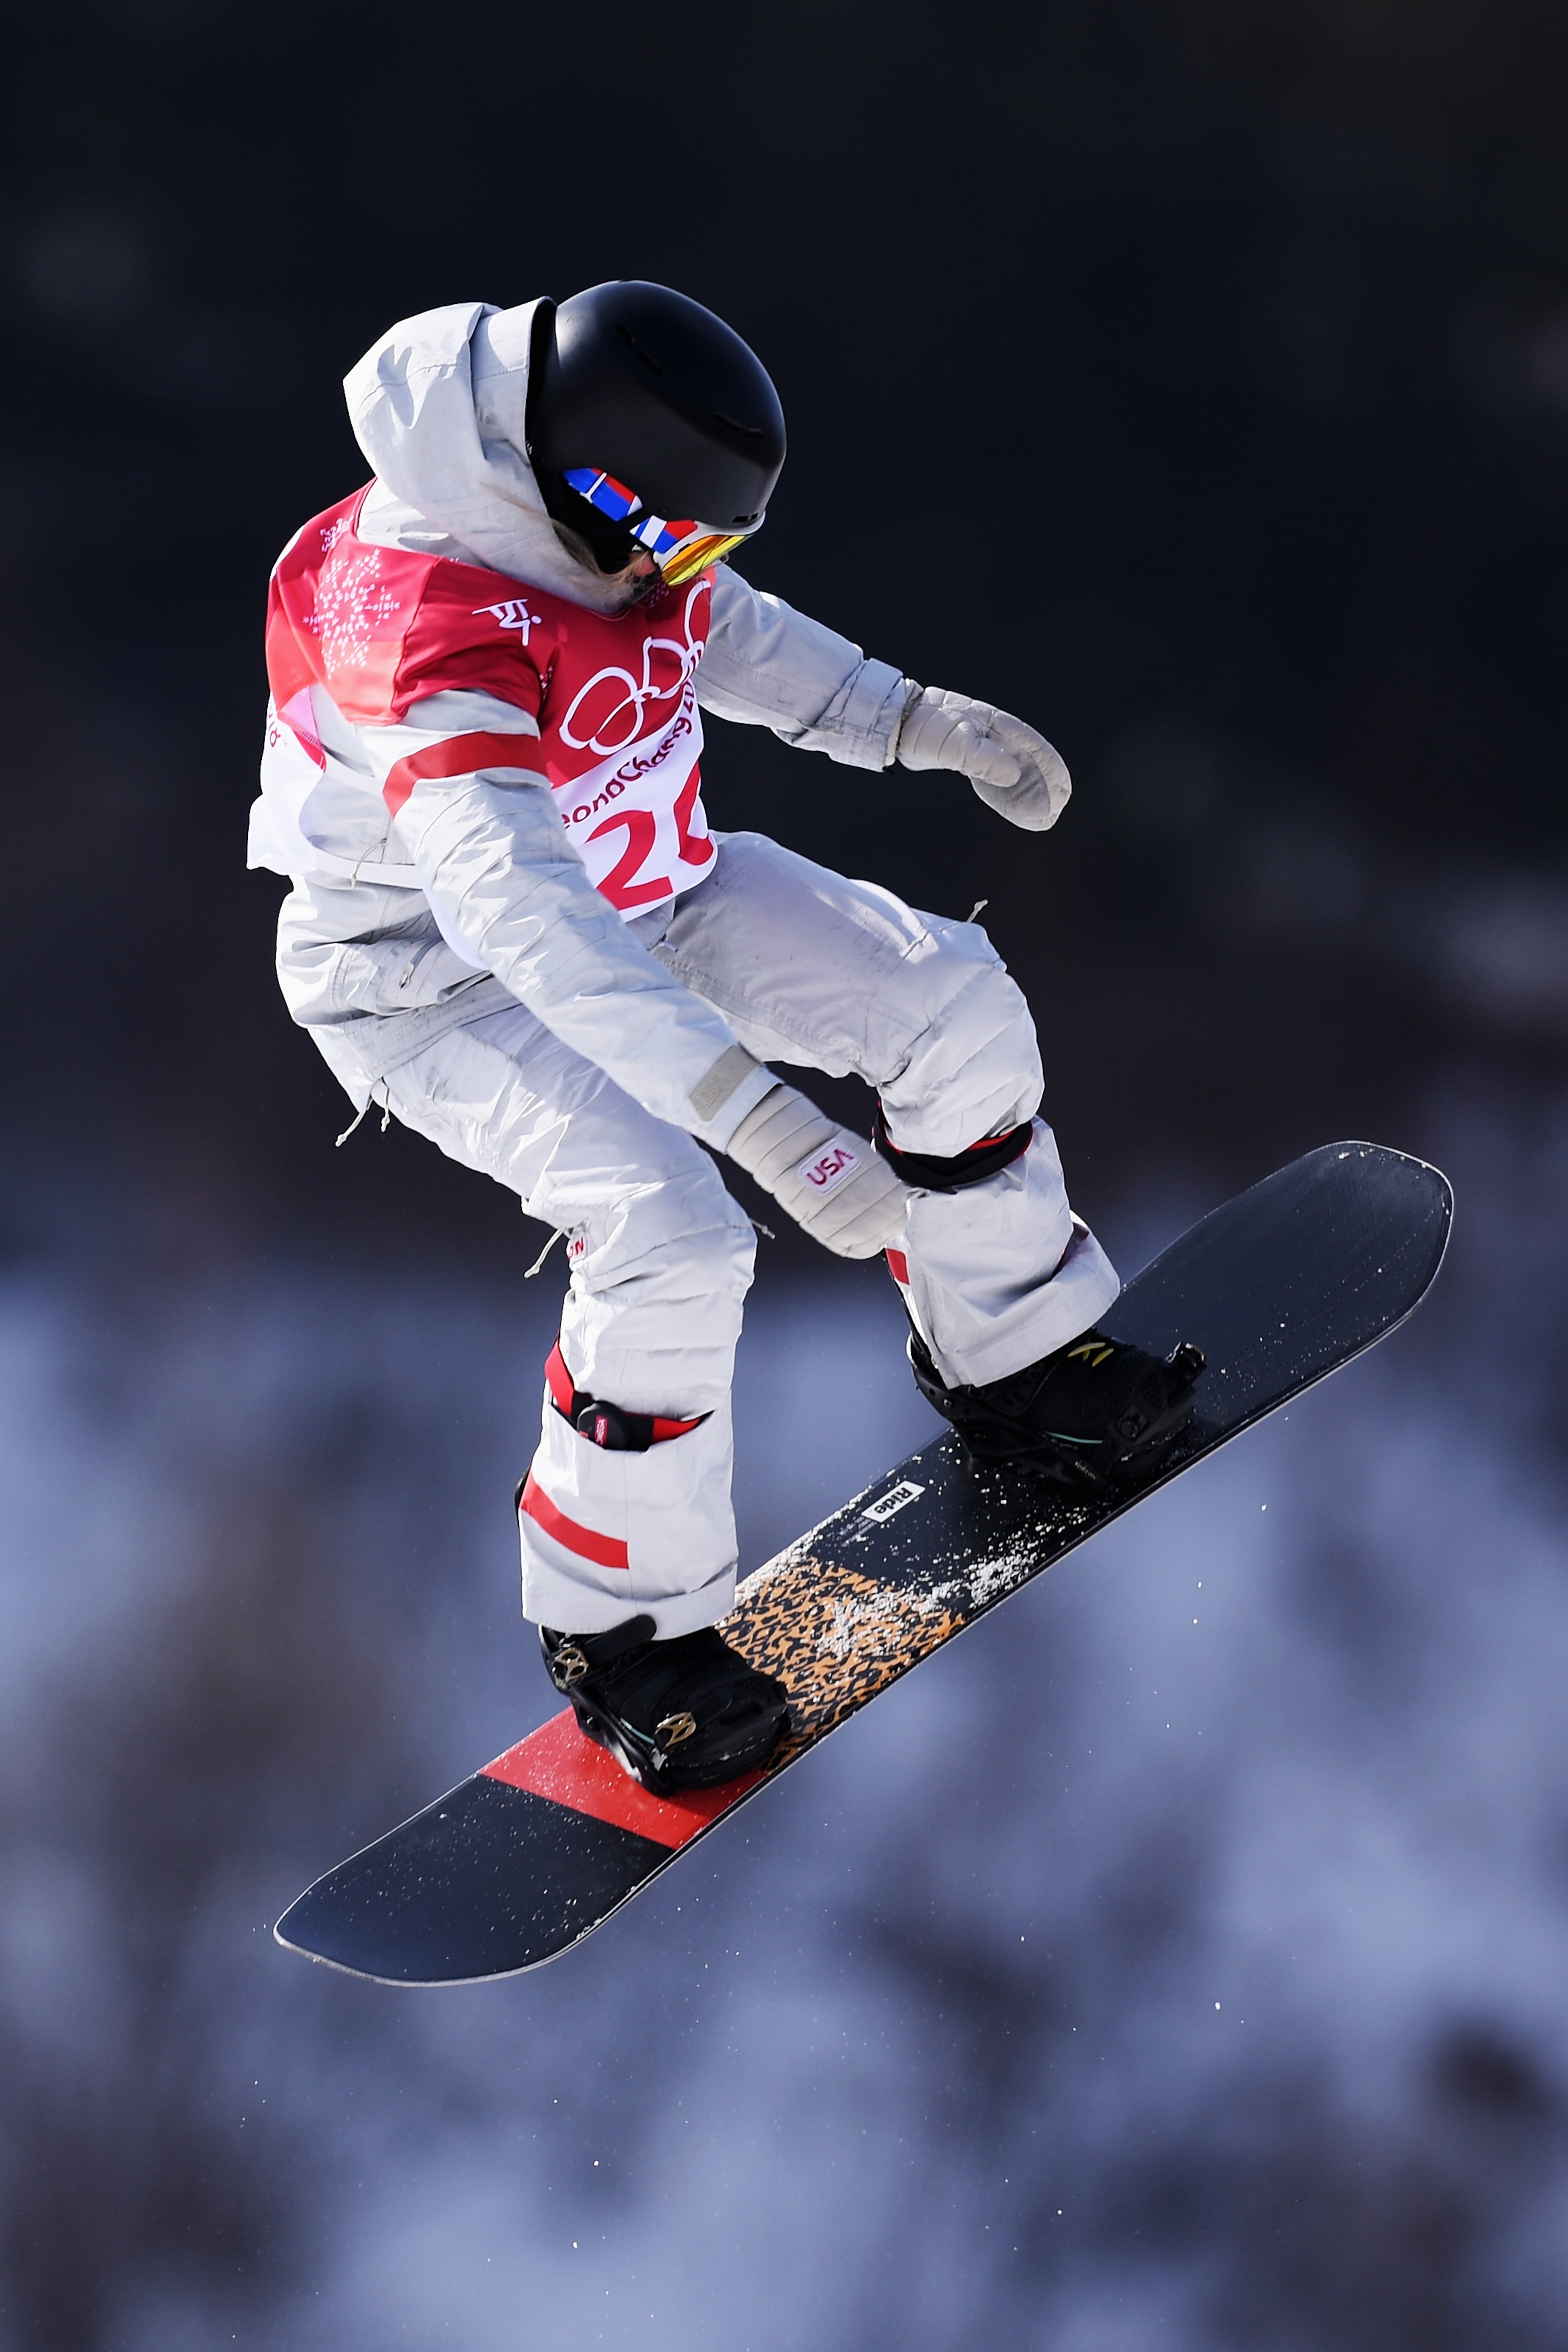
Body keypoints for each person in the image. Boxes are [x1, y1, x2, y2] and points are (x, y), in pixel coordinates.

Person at [251, 281, 1200, 1795]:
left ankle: (1014, 1362)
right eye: (675, 537)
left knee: (948, 1002)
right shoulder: (428, 635)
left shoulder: (603, 524)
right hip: (435, 977)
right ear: (597, 496)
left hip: (648, 884)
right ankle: (627, 1637)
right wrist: (758, 1123)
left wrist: (910, 718)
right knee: (671, 1233)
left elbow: (727, 632)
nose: (689, 571)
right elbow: (522, 924)